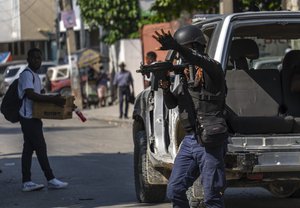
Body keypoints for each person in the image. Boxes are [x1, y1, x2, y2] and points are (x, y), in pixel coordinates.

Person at [153, 26, 228, 208]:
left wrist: (177, 47)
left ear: (195, 46)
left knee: (212, 197)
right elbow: (172, 104)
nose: (180, 57)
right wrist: (164, 86)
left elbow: (197, 59)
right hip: (190, 140)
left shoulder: (213, 69)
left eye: (183, 49)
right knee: (174, 190)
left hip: (210, 141)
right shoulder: (185, 77)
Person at [18, 48, 69, 192]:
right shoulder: (27, 74)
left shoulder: (35, 75)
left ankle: (26, 181)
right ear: (28, 59)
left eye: (39, 58)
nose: (37, 61)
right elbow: (30, 95)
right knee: (41, 147)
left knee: (28, 150)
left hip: (32, 117)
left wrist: (46, 96)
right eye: (34, 58)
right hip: (28, 117)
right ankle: (50, 179)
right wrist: (52, 99)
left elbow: (36, 94)